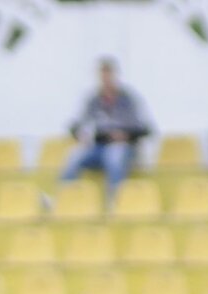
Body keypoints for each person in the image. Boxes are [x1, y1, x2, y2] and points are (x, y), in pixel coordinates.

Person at [60, 58, 152, 198]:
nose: (105, 79)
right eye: (102, 75)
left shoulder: (128, 99)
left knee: (114, 155)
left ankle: (114, 200)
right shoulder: (93, 100)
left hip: (123, 146)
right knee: (74, 154)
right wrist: (80, 135)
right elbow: (75, 125)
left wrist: (125, 135)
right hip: (99, 146)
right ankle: (63, 197)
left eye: (108, 74)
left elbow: (145, 129)